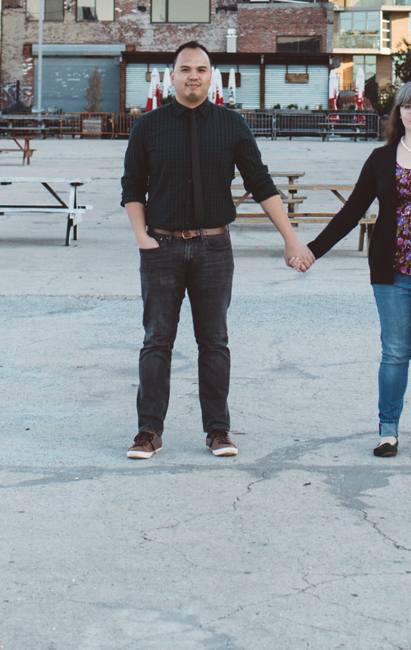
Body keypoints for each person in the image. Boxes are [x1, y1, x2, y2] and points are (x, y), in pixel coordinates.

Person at [121, 40, 312, 460]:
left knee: (214, 343)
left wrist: (291, 238)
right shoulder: (148, 127)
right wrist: (142, 238)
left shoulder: (231, 125)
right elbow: (132, 187)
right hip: (161, 248)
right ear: (172, 76)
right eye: (185, 69)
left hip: (213, 249)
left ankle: (218, 431)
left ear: (211, 76)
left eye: (201, 70)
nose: (193, 76)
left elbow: (261, 184)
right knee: (157, 342)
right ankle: (149, 431)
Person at [303, 77, 411, 459]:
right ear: (398, 112)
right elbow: (352, 211)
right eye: (409, 106)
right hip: (392, 276)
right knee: (395, 354)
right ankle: (388, 432)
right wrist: (313, 250)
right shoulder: (381, 159)